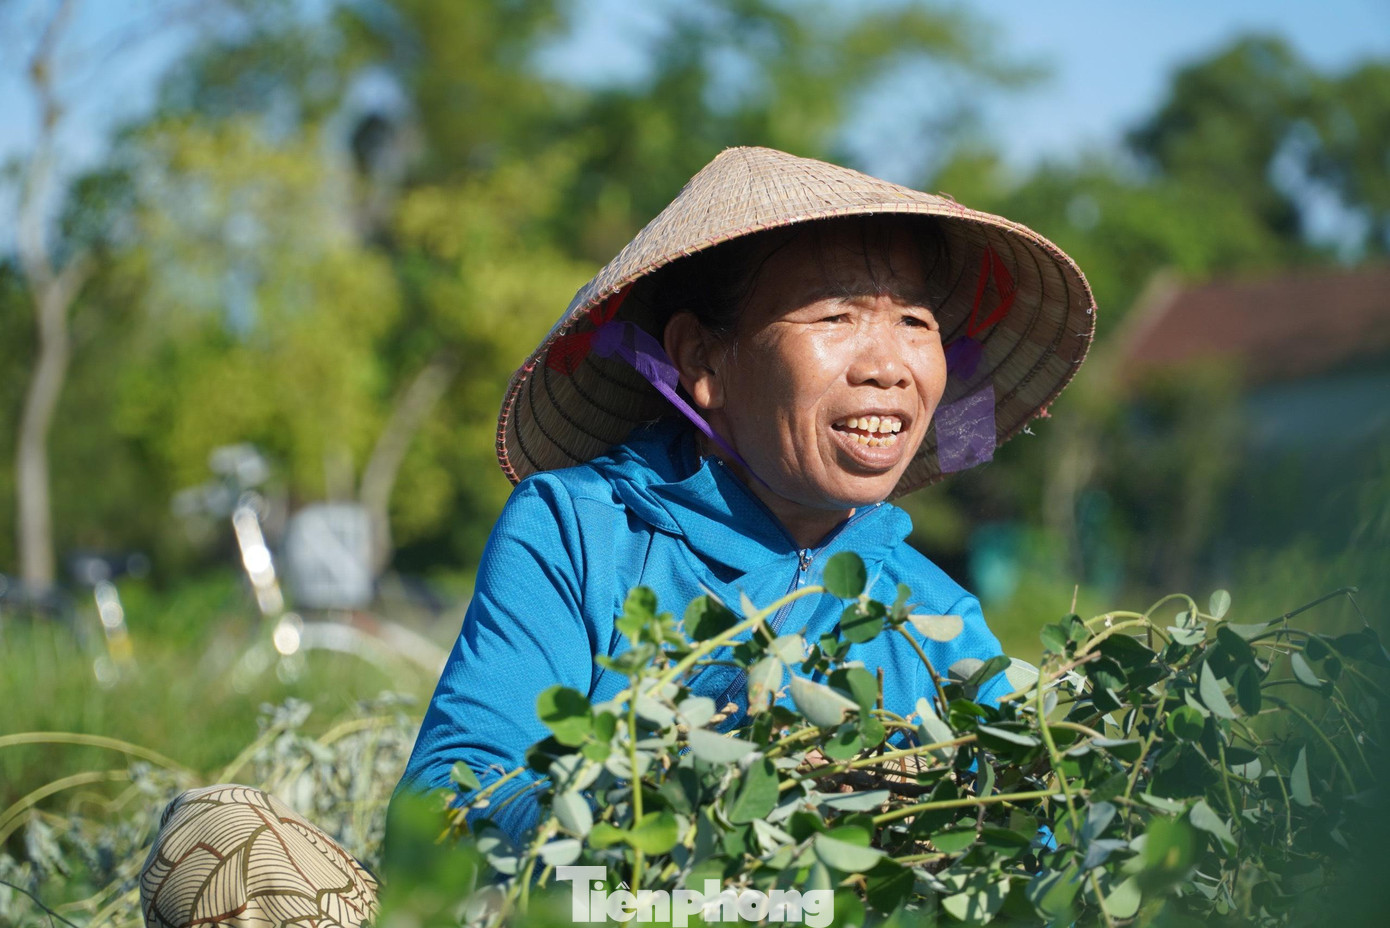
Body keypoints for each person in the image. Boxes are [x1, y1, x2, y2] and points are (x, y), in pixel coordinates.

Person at [137, 146, 1093, 926]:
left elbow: (1034, 832)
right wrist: (665, 801)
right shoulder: (578, 530)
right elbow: (449, 797)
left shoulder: (933, 615)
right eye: (837, 316)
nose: (889, 363)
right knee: (215, 845)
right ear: (702, 361)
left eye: (915, 320)